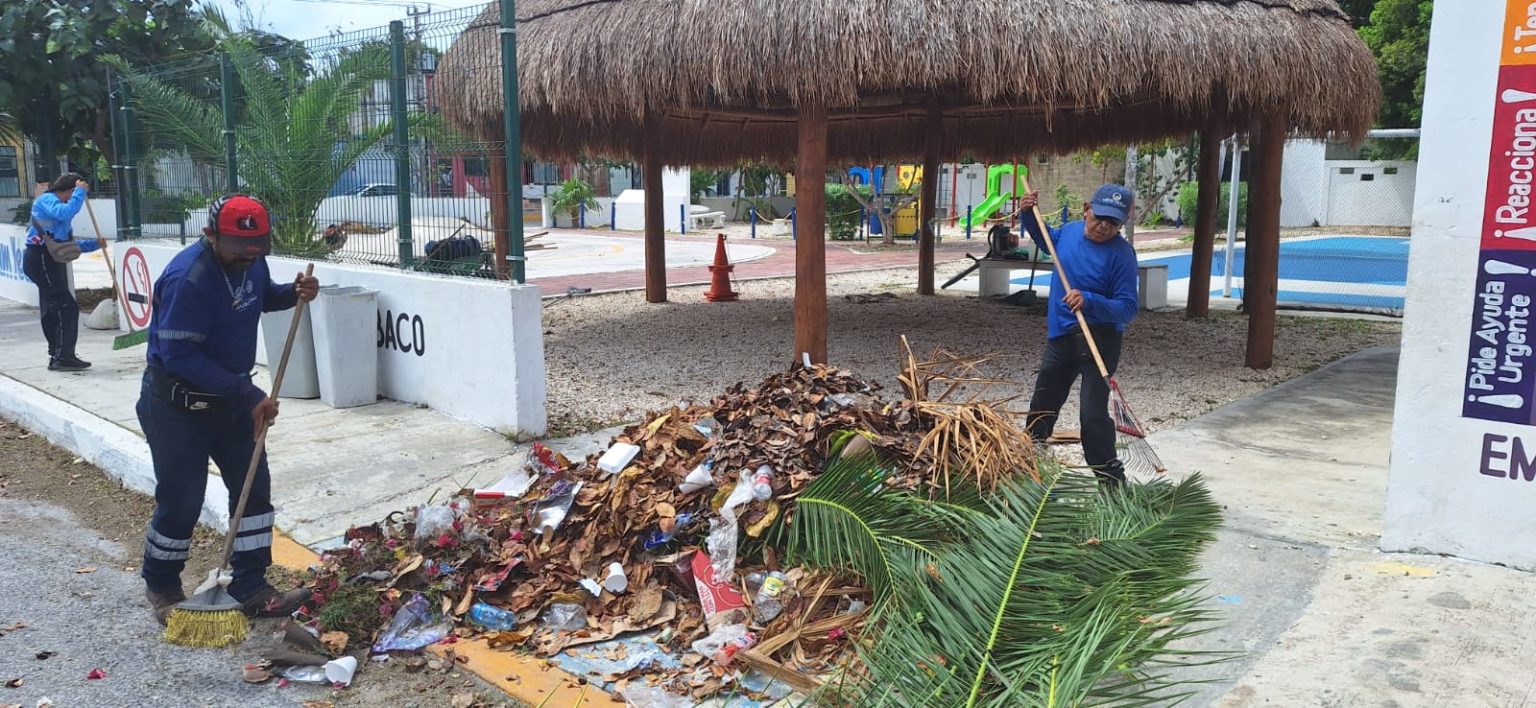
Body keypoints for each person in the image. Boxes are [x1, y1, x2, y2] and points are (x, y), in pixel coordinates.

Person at [138, 194, 319, 625]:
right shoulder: (189, 278)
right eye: (240, 249)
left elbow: (256, 297)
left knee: (253, 490)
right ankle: (162, 585)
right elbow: (180, 355)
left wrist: (293, 293)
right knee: (182, 499)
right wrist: (249, 394)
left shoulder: (251, 260)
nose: (251, 256)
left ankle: (251, 584)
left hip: (232, 402)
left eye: (259, 247)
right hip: (177, 406)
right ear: (211, 235)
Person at [1017, 184, 1140, 487]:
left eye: (1113, 223)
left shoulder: (1122, 256)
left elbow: (1127, 308)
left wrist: (1089, 301)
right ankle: (1025, 471)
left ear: (1122, 223)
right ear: (1087, 209)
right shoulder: (1070, 232)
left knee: (1092, 415)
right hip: (1061, 336)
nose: (1103, 227)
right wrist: (1028, 214)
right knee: (1043, 405)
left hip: (1100, 340)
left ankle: (1112, 484)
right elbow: (1049, 241)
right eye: (1099, 218)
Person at [23, 173, 100, 372]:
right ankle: (63, 356)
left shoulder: (59, 212)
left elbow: (63, 246)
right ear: (70, 190)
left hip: (50, 259)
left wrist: (94, 245)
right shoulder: (48, 201)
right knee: (65, 306)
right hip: (40, 258)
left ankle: (58, 353)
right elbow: (65, 212)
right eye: (74, 194)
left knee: (53, 307)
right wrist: (80, 192)